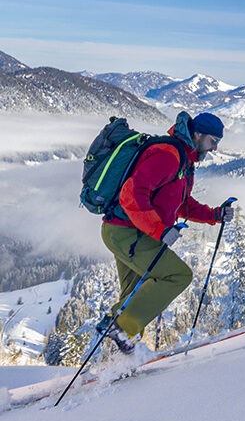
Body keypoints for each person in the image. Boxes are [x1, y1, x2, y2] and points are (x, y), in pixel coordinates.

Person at [98, 110, 236, 354]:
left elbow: (181, 203)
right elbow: (131, 194)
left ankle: (114, 362)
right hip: (127, 233)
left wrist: (214, 214)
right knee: (177, 276)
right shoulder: (169, 156)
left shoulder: (183, 160)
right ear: (197, 134)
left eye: (217, 142)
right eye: (212, 141)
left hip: (127, 232)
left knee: (135, 296)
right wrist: (160, 231)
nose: (214, 148)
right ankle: (120, 327)